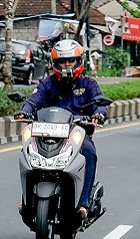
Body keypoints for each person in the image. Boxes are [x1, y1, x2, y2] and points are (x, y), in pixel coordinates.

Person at [13, 38, 108, 220]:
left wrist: (99, 115)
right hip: (47, 133)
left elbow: (99, 104)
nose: (67, 65)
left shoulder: (89, 84)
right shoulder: (47, 83)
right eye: (62, 61)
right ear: (55, 63)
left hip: (77, 133)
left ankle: (83, 203)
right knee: (26, 152)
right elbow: (34, 101)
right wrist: (25, 112)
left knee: (89, 153)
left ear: (79, 61)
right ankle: (27, 202)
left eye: (70, 60)